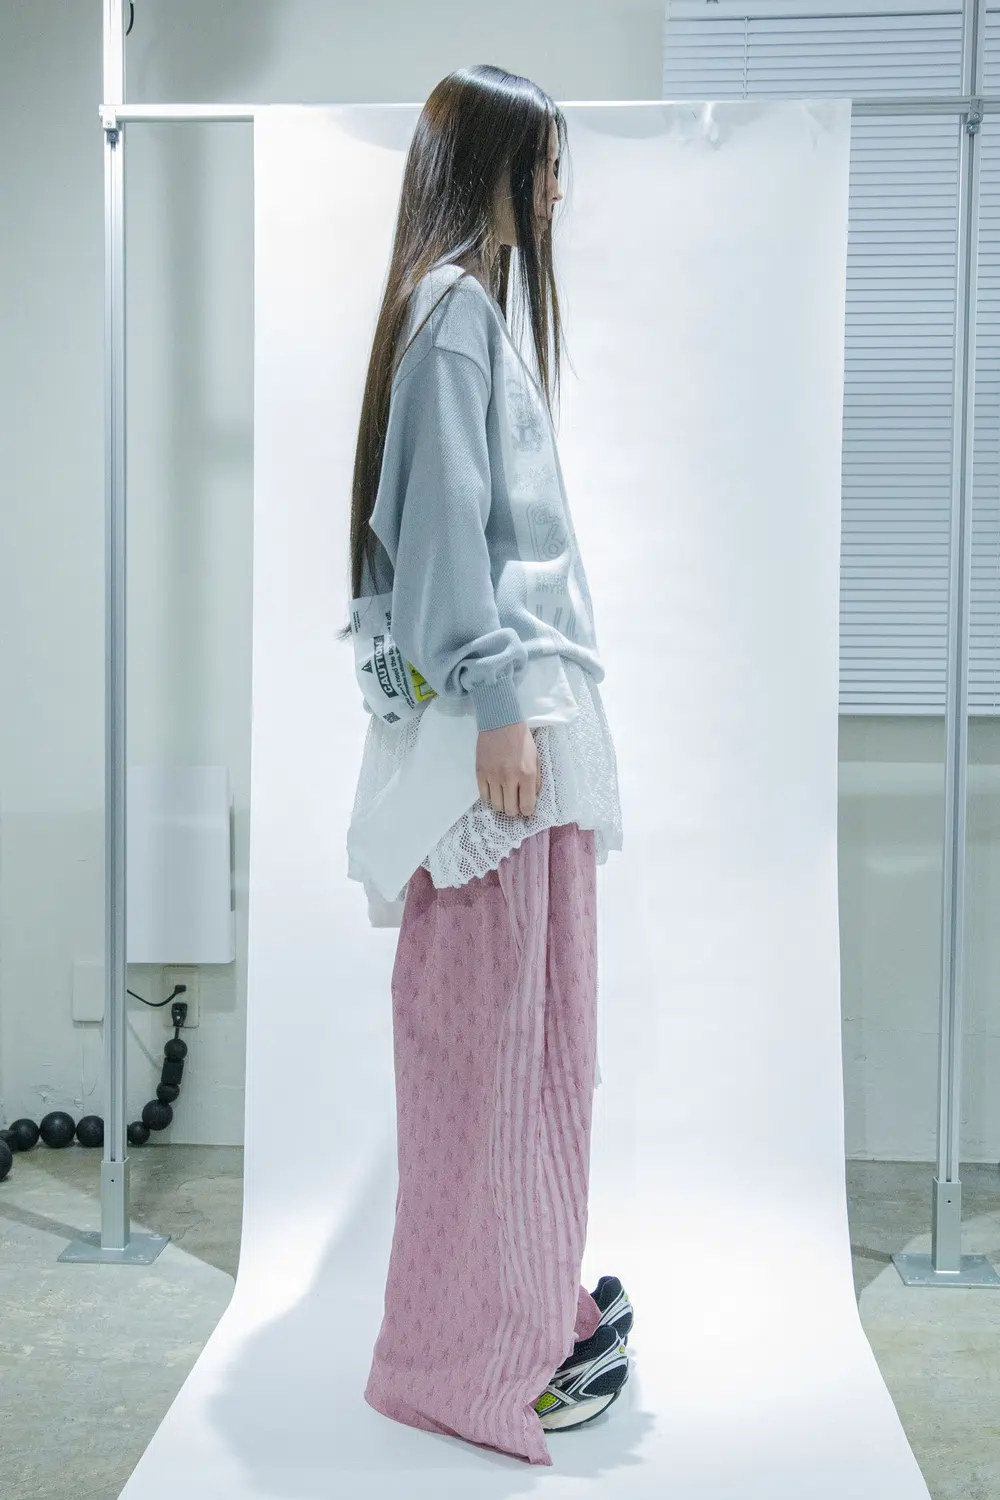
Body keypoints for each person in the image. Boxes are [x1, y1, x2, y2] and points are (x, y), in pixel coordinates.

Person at [341, 64, 631, 1467]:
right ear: (495, 166)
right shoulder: (455, 313)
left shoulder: (452, 308)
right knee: (500, 1051)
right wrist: (500, 696)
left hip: (513, 735)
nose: (560, 190)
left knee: (518, 1050)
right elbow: (450, 540)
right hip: (502, 743)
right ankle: (467, 1353)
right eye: (546, 162)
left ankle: (516, 1314)